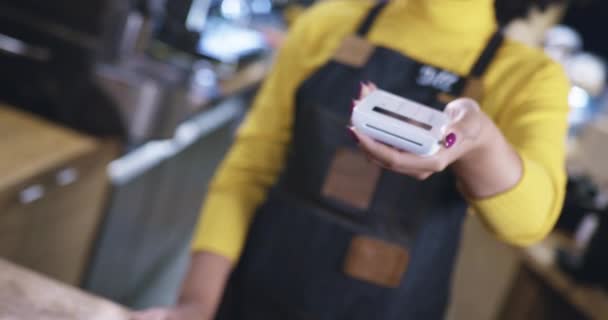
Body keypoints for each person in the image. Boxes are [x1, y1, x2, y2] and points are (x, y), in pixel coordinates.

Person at [133, 0, 570, 319]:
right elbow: (248, 170)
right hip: (254, 294)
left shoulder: (528, 78)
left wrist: (481, 143)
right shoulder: (329, 22)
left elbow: (528, 222)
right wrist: (196, 303)